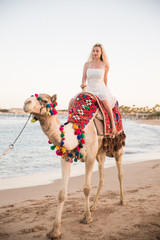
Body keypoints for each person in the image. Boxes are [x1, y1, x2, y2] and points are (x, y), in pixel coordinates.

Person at [68, 43, 117, 134]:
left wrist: (107, 90)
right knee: (71, 101)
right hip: (89, 88)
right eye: (94, 51)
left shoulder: (105, 64)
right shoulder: (87, 64)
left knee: (105, 102)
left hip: (100, 88)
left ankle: (113, 124)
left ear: (101, 53)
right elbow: (83, 78)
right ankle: (69, 123)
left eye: (97, 51)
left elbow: (105, 79)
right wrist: (83, 83)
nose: (95, 53)